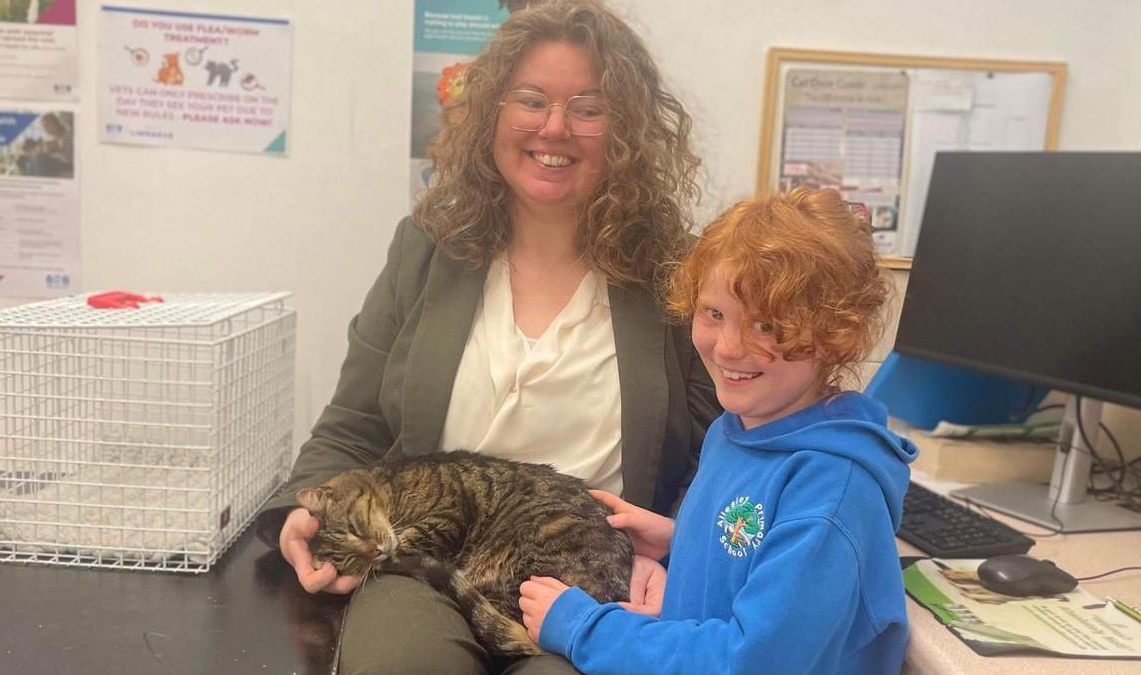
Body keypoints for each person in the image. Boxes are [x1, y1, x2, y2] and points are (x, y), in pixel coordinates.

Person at [254, 1, 721, 673]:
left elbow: (724, 451)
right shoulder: (426, 247)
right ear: (492, 113)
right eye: (531, 100)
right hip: (423, 564)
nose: (555, 128)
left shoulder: (676, 270)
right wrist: (305, 510)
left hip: (592, 583)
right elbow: (352, 423)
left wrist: (680, 553)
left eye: (588, 108)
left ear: (628, 131)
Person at [520, 187, 920, 675]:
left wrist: (585, 628)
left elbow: (751, 662)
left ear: (835, 333)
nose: (728, 348)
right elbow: (754, 552)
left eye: (766, 326)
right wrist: (684, 539)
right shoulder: (736, 431)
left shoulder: (832, 491)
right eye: (714, 314)